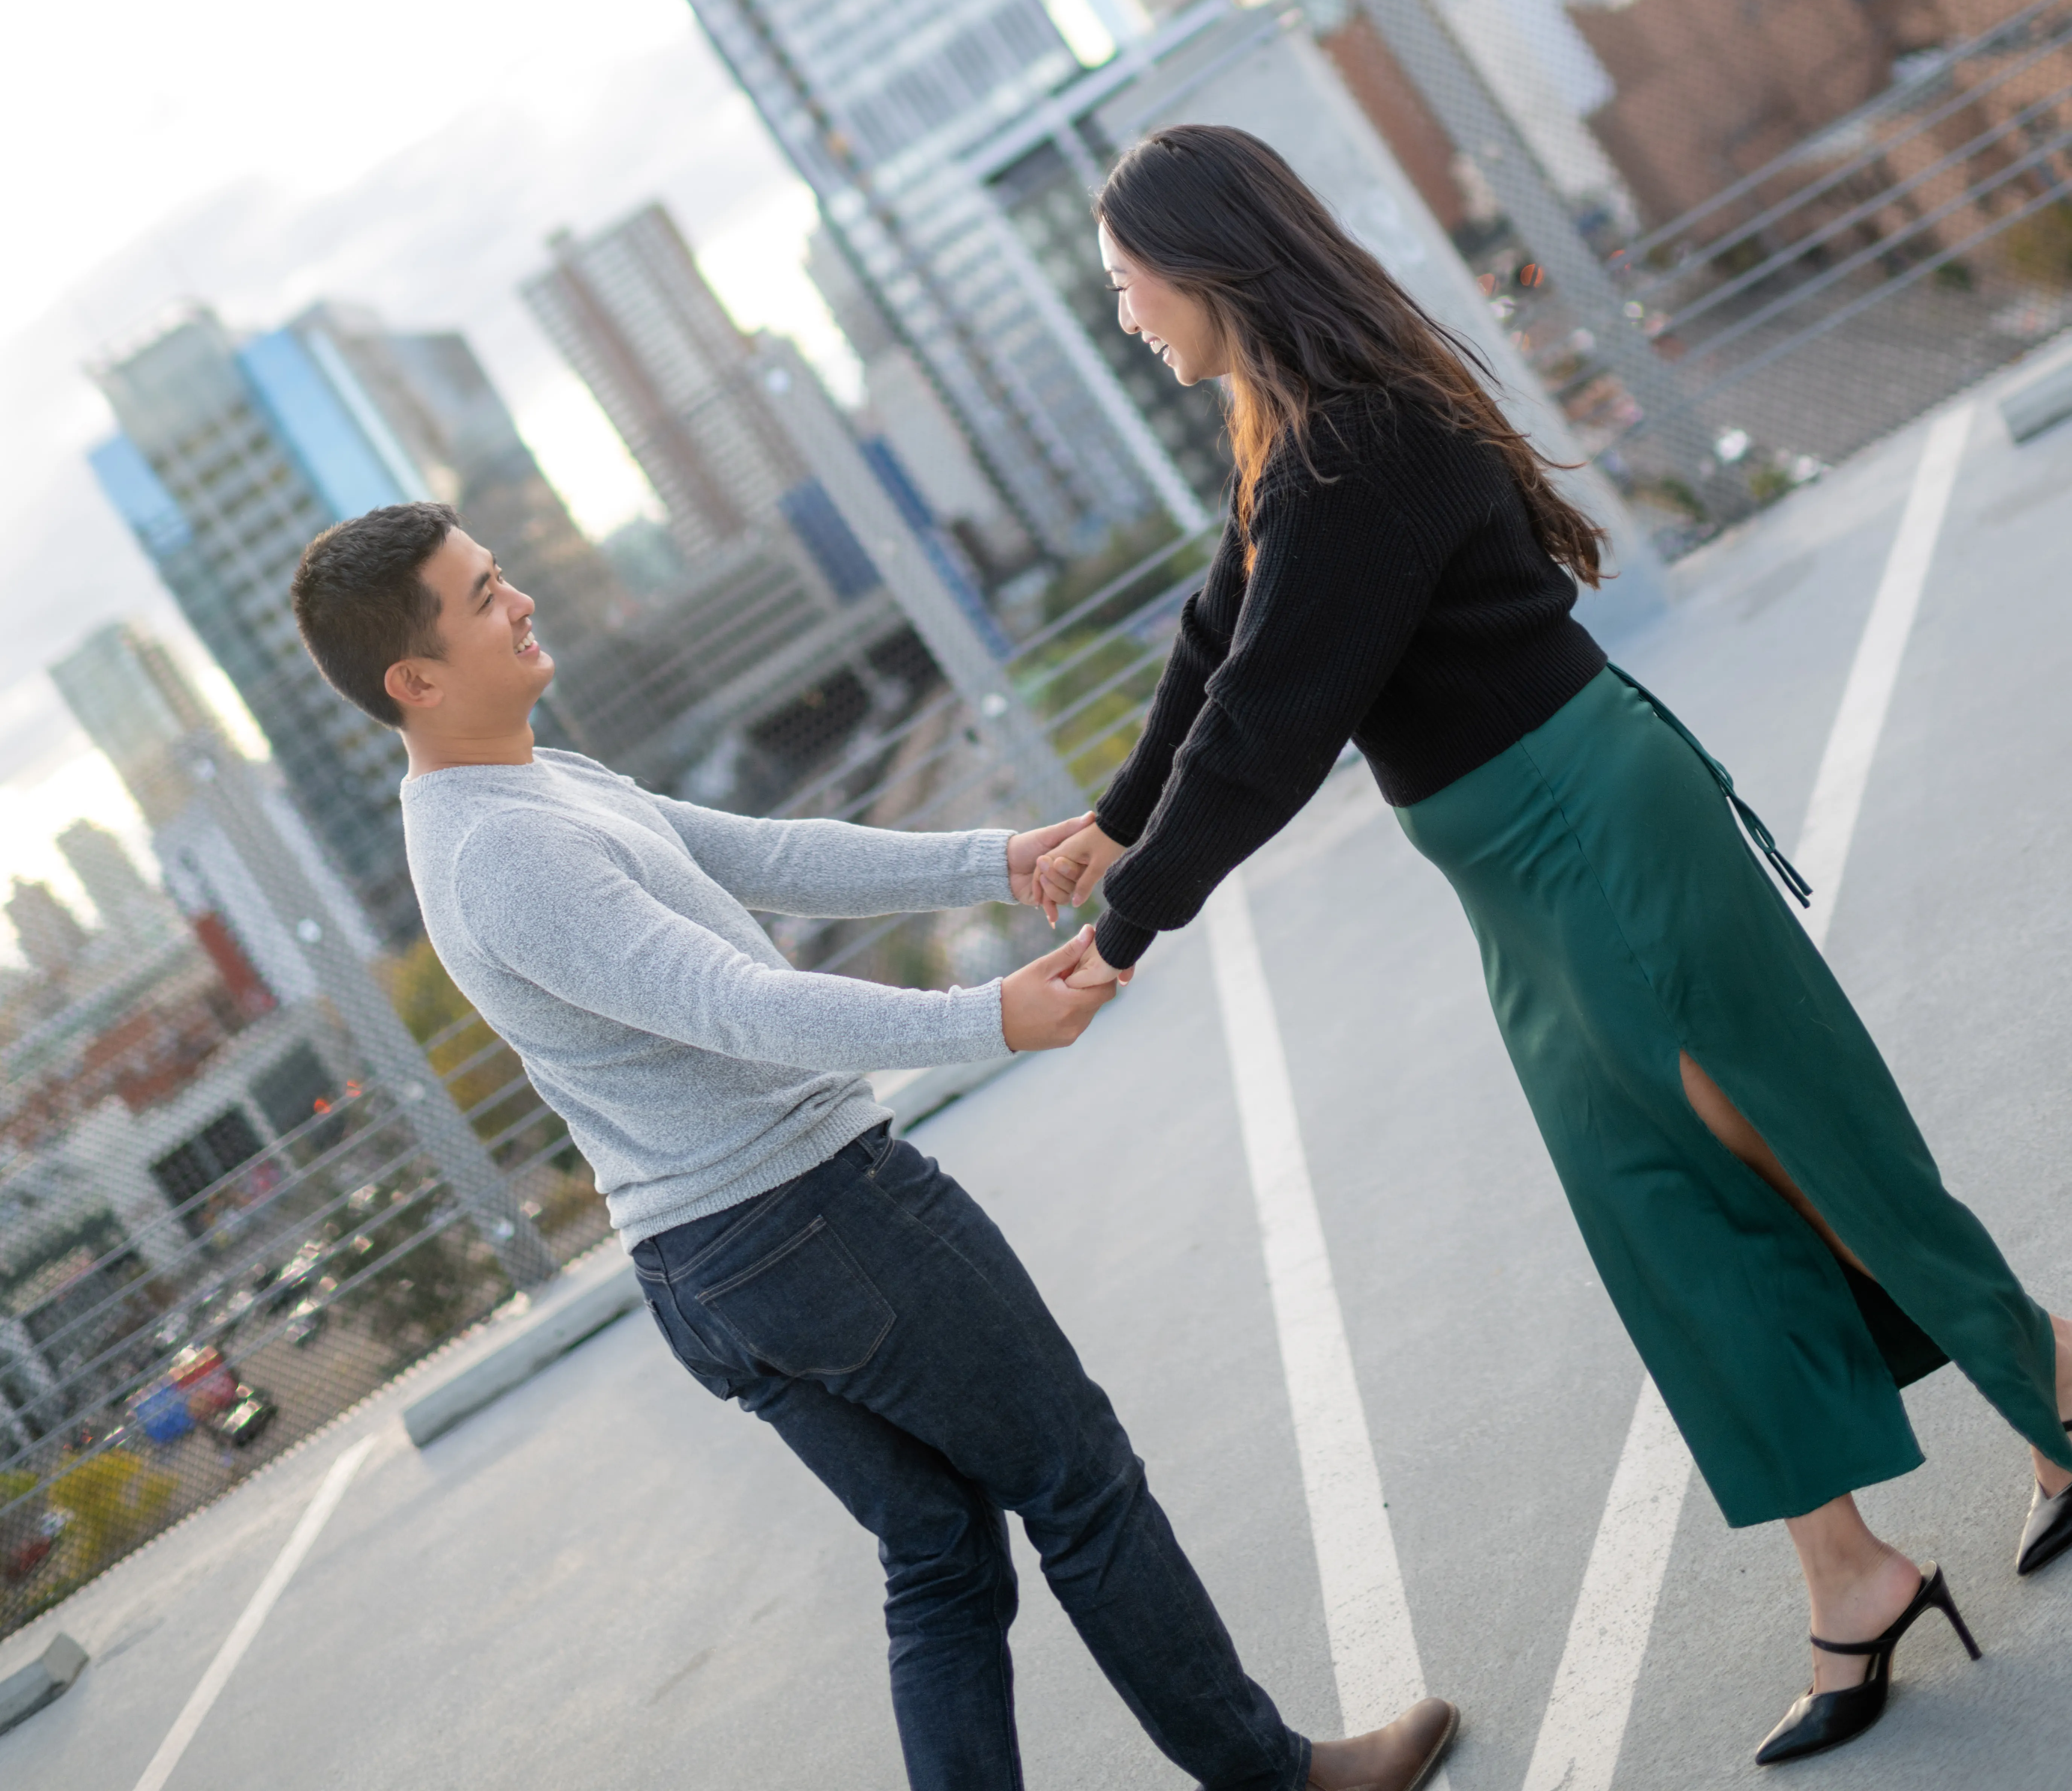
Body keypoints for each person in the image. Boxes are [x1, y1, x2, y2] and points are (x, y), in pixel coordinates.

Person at [1031, 122, 2072, 1771]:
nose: (1124, 318)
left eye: (1123, 287)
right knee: (1661, 1225)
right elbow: (1217, 646)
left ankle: (2058, 1401)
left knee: (1796, 1157)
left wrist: (1129, 921)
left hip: (1596, 831)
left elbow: (1275, 724)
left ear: (1202, 262)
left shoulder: (1353, 443)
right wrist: (1114, 816)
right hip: (1515, 877)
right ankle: (1850, 1573)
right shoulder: (1289, 438)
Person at [289, 498, 1460, 1791]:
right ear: (416, 679)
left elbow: (767, 854)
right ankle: (1277, 1780)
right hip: (803, 1218)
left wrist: (1000, 860)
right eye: (486, 594)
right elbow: (744, 1008)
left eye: (503, 575)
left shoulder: (529, 782)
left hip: (717, 1264)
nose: (520, 602)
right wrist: (990, 1019)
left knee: (943, 1558)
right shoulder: (502, 853)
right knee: (1079, 1477)